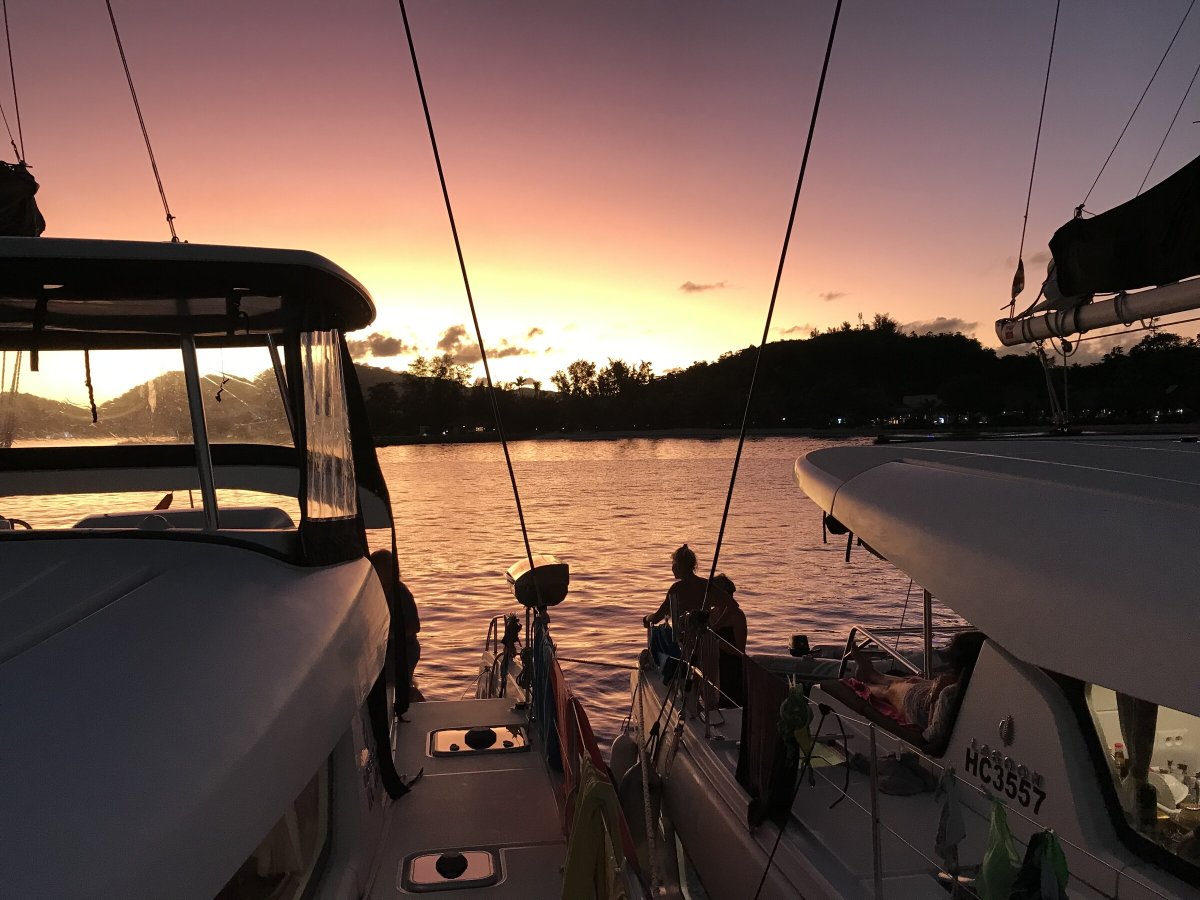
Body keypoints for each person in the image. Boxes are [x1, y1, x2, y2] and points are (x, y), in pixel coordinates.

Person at [849, 630, 986, 741]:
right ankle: (873, 674)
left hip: (919, 704)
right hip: (927, 693)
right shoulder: (973, 685)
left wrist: (933, 697)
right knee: (910, 680)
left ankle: (865, 681)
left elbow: (931, 735)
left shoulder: (949, 694)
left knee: (891, 690)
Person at [369, 549, 423, 704]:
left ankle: (418, 705)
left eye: (380, 568)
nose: (377, 572)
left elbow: (415, 626)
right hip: (384, 651)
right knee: (388, 686)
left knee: (397, 686)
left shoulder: (401, 593)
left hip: (405, 650)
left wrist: (388, 634)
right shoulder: (373, 592)